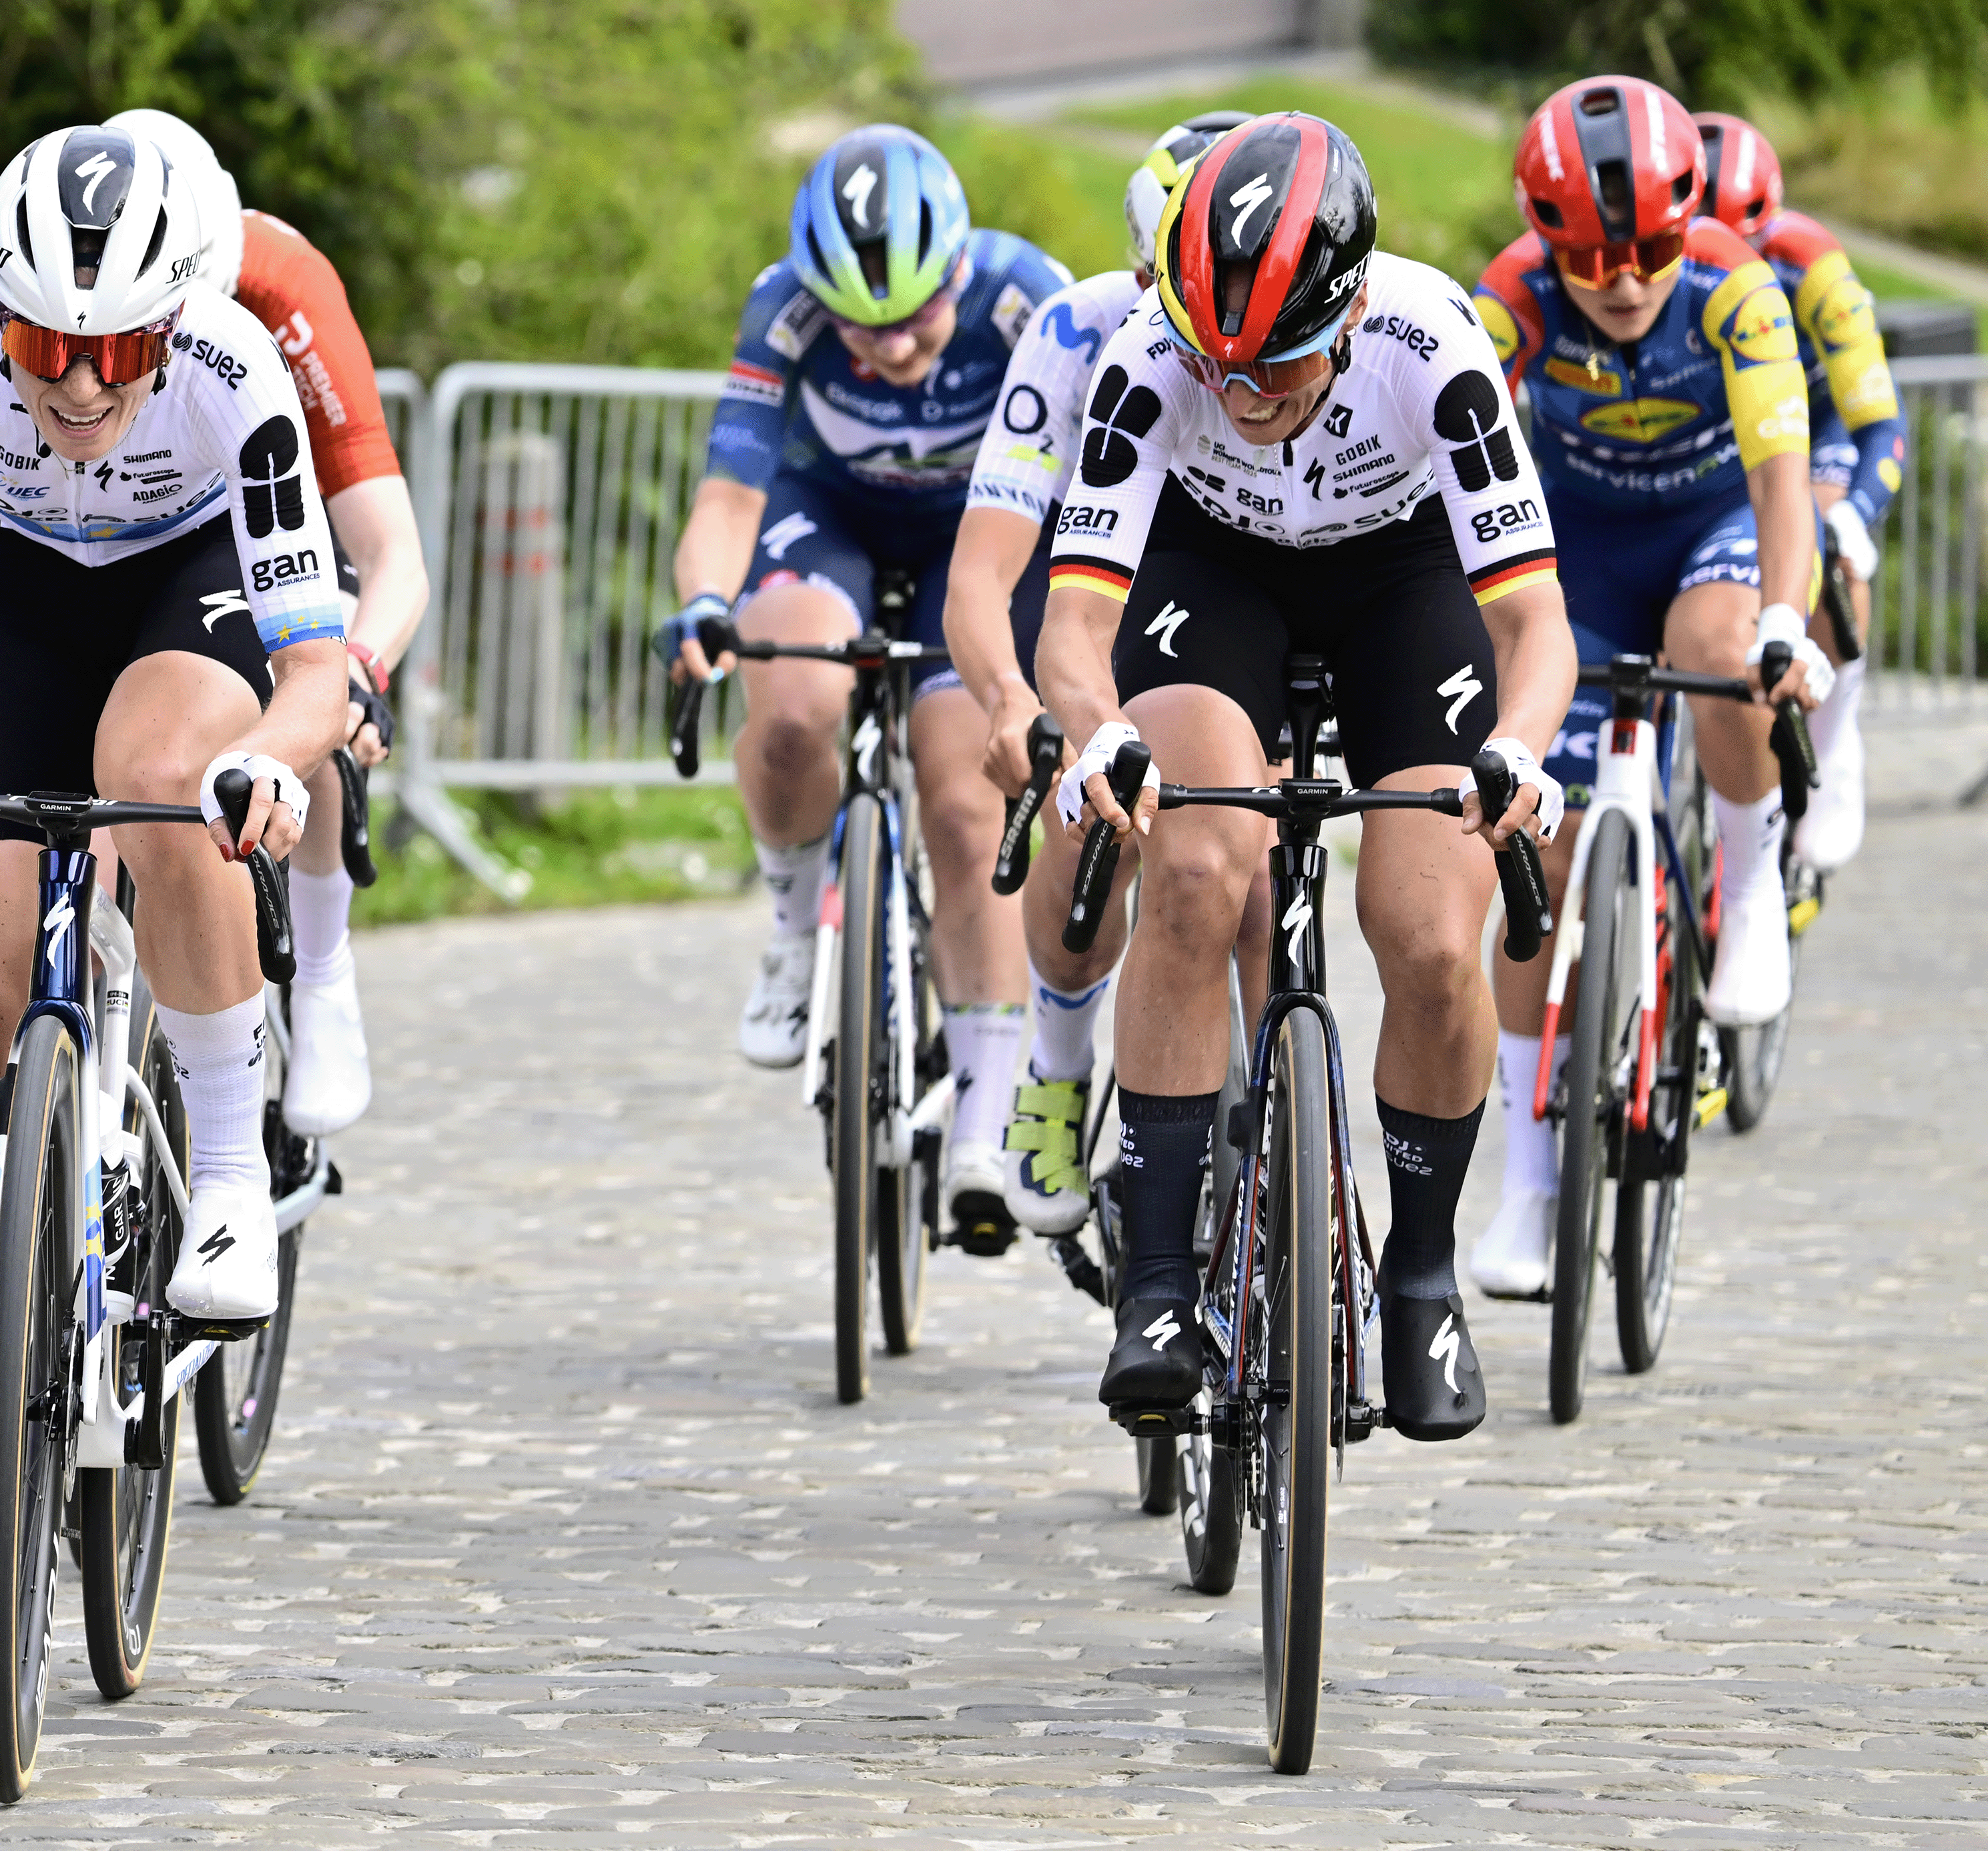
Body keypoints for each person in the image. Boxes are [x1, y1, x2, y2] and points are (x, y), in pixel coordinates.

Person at [0, 123, 351, 1567]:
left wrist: (265, 766)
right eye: (44, 345)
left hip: (191, 582)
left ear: (173, 321)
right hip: (18, 599)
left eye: (119, 346)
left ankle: (224, 1172)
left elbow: (316, 672)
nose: (84, 383)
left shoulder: (237, 376)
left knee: (159, 774)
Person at [1034, 112, 1577, 1441]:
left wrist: (1520, 746)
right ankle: (1157, 1280)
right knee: (1200, 862)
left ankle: (1421, 1271)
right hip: (1212, 575)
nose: (1240, 395)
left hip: (1400, 578)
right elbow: (1069, 626)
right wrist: (1095, 728)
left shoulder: (1432, 348)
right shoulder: (1151, 357)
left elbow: (1532, 626)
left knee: (1429, 932)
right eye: (1216, 365)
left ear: (1342, 316)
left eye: (1275, 366)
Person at [657, 125, 1072, 1236]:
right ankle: (797, 929)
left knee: (959, 793)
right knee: (789, 700)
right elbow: (730, 498)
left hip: (978, 537)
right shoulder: (781, 307)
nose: (889, 347)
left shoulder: (1026, 294)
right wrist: (703, 599)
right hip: (828, 513)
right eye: (861, 325)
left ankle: (987, 1101)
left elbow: (1090, 492)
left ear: (955, 272)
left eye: (913, 319)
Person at [1467, 78, 1835, 1298]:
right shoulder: (1507, 301)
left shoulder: (1737, 290)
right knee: (1541, 854)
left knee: (1726, 641)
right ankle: (1526, 1179)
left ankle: (1742, 884)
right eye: (1589, 260)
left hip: (1711, 530)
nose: (1624, 285)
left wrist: (1787, 616)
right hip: (1575, 556)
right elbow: (1447, 485)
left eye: (1648, 256)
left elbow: (1785, 485)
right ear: (1542, 239)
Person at [945, 111, 1248, 1240]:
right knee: (1082, 810)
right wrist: (1008, 698)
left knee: (1253, 855)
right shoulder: (1073, 332)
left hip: (1235, 592)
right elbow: (982, 573)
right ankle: (1059, 1062)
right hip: (1093, 585)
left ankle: (1288, 1136)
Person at [106, 109, 428, 1138]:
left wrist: (363, 670)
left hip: (262, 534)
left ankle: (323, 968)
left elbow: (392, 556)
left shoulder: (280, 285)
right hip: (127, 538)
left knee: (317, 679)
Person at [1696, 109, 1903, 870]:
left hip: (1816, 432)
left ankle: (1836, 738)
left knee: (1819, 534)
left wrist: (1857, 512)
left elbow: (1881, 420)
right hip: (1718, 440)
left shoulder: (1813, 265)